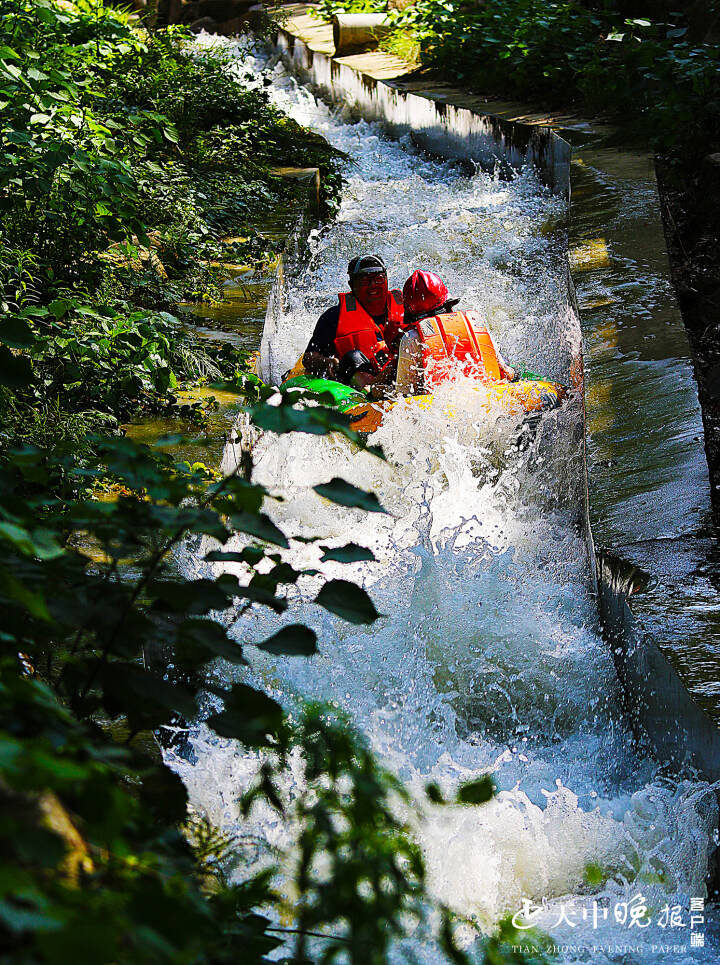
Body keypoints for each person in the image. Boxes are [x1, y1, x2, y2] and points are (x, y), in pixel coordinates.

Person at [396, 270, 517, 395]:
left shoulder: (411, 339)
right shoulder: (474, 324)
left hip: (440, 407)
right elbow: (507, 373)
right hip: (490, 397)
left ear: (411, 313)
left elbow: (404, 394)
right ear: (448, 304)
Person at [302, 254, 405, 391]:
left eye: (378, 279)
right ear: (351, 285)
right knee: (353, 357)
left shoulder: (408, 307)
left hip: (399, 369)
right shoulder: (334, 317)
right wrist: (327, 362)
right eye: (364, 280)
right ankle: (373, 392)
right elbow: (309, 358)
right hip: (361, 381)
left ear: (386, 280)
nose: (373, 285)